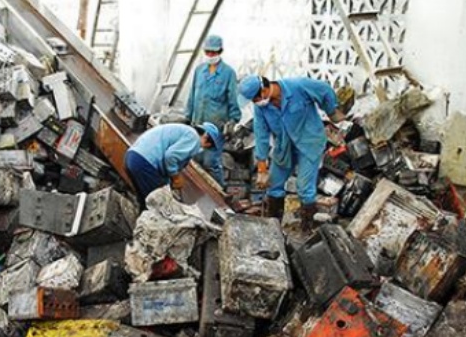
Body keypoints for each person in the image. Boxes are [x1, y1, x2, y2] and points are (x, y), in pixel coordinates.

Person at [238, 75, 345, 231]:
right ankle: (272, 228)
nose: (255, 103)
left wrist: (331, 110)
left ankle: (307, 229)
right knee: (274, 185)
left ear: (264, 89)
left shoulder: (298, 86)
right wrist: (261, 168)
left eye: (255, 99)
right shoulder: (261, 108)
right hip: (284, 145)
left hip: (309, 141)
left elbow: (324, 89)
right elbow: (261, 135)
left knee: (304, 187)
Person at [185, 35, 241, 188]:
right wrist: (187, 117)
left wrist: (233, 121)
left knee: (211, 162)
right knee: (194, 159)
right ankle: (196, 193)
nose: (210, 55)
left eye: (213, 52)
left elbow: (233, 100)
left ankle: (220, 193)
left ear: (220, 51)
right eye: (207, 52)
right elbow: (192, 95)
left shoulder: (228, 73)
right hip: (198, 124)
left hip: (215, 127)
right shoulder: (199, 71)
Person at [125, 122, 224, 206]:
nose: (203, 148)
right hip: (144, 162)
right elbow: (170, 156)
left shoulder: (184, 132)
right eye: (207, 146)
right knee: (160, 205)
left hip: (132, 157)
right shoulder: (194, 138)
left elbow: (167, 161)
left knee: (146, 203)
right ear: (206, 138)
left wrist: (169, 182)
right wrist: (176, 177)